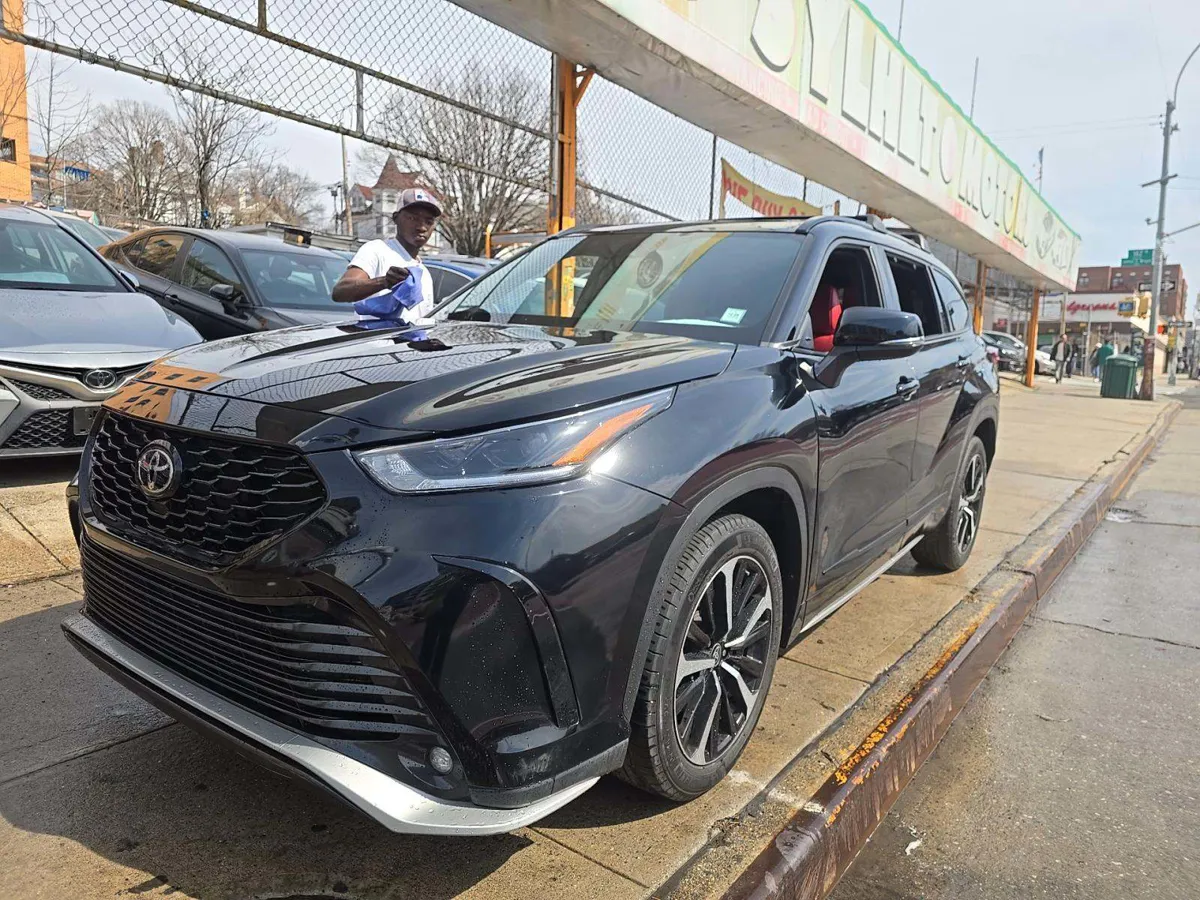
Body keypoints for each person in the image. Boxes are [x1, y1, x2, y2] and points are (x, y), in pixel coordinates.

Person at [332, 188, 442, 320]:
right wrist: (384, 282)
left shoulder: (425, 273)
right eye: (413, 218)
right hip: (374, 334)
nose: (422, 227)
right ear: (395, 218)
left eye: (429, 222)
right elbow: (340, 291)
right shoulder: (377, 250)